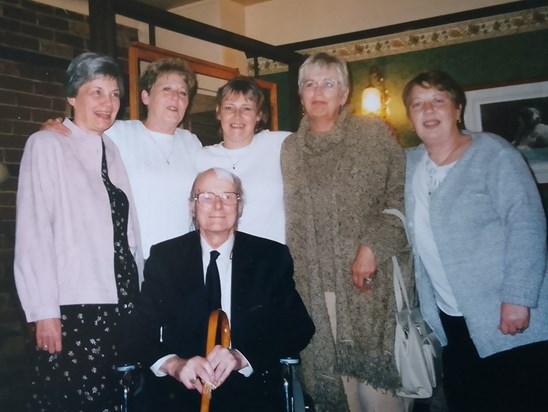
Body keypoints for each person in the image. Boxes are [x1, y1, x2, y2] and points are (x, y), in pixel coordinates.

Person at [401, 70, 548, 412]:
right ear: (410, 117)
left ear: (457, 110)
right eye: (418, 104)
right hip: (451, 317)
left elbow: (526, 224)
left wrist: (518, 297)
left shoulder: (493, 154)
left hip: (507, 312)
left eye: (439, 100)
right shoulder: (409, 164)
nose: (429, 111)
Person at [281, 52, 413, 412]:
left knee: (379, 397)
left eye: (328, 83)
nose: (318, 92)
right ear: (301, 95)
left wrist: (373, 245)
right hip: (314, 292)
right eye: (310, 84)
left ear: (344, 94)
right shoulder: (290, 149)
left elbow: (400, 200)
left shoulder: (372, 135)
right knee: (336, 398)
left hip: (369, 287)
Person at [14, 52, 143, 411]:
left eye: (115, 94)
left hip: (121, 299)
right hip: (75, 307)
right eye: (96, 91)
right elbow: (33, 236)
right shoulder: (47, 144)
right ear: (72, 96)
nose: (108, 103)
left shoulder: (112, 149)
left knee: (116, 400)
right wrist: (43, 312)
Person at [128, 167, 315, 412]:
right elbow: (136, 329)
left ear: (240, 205)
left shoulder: (270, 257)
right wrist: (174, 365)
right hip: (182, 387)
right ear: (192, 206)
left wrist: (241, 357)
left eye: (228, 196)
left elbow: (298, 325)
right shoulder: (166, 257)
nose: (218, 206)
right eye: (206, 197)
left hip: (250, 389)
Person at [42, 58, 202, 258]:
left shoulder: (192, 143)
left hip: (181, 257)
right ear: (146, 96)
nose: (175, 98)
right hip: (133, 257)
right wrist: (52, 127)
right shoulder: (116, 132)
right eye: (166, 89)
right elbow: (71, 140)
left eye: (182, 93)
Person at [195, 77, 289, 243]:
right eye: (229, 108)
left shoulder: (279, 144)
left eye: (246, 108)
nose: (237, 116)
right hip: (224, 259)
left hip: (272, 257)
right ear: (218, 112)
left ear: (259, 114)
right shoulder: (201, 158)